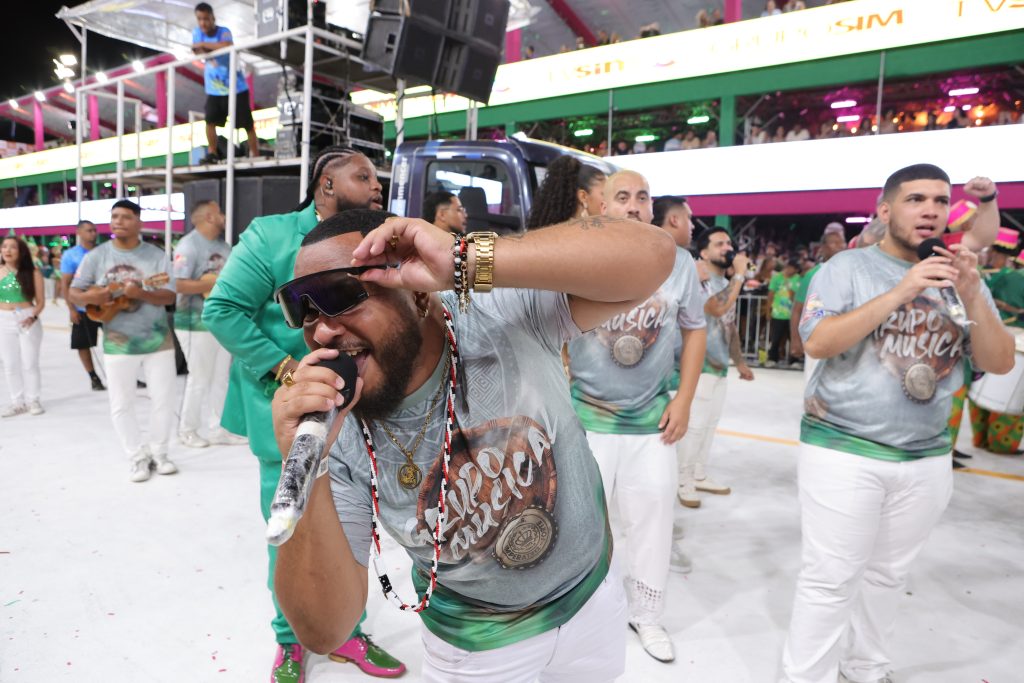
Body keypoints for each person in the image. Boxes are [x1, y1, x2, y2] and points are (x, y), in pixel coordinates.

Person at [270, 203, 676, 682]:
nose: (322, 330)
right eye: (304, 310)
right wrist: (305, 463)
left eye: (341, 295)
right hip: (474, 650)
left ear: (417, 294)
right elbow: (324, 629)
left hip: (592, 601)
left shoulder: (497, 313)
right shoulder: (341, 432)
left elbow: (653, 255)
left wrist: (465, 259)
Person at [780, 163, 1013, 683]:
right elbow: (817, 342)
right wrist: (901, 291)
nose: (929, 209)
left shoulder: (958, 275)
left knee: (888, 576)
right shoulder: (847, 269)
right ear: (886, 212)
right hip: (843, 448)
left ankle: (865, 668)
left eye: (938, 200)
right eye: (915, 199)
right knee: (830, 580)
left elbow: (999, 362)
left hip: (926, 456)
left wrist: (974, 293)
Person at [203, 147, 405, 682]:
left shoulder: (378, 238)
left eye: (377, 176)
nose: (376, 184)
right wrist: (287, 368)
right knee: (290, 524)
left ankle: (346, 631)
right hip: (293, 414)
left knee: (350, 523)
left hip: (360, 410)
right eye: (363, 175)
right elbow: (221, 310)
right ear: (326, 184)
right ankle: (291, 639)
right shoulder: (271, 235)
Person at [568, 171, 707, 663]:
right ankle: (583, 613)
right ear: (602, 206)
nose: (633, 205)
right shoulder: (579, 253)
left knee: (652, 522)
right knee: (584, 526)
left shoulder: (679, 263)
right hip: (586, 419)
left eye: (642, 197)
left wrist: (685, 399)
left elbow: (694, 330)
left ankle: (646, 614)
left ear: (652, 209)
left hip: (653, 424)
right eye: (621, 197)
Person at [69, 200, 179, 482]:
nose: (119, 221)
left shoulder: (156, 256)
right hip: (117, 342)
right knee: (121, 403)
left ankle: (160, 452)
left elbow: (169, 295)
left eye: (126, 217)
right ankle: (137, 457)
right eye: (115, 216)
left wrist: (142, 294)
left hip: (157, 341)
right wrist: (97, 296)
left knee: (163, 400)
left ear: (139, 222)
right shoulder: (96, 256)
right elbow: (75, 293)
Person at [676, 227, 754, 508]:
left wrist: (740, 361)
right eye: (719, 243)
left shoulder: (724, 283)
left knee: (709, 424)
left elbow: (729, 325)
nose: (727, 247)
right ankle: (682, 479)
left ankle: (698, 473)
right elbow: (716, 309)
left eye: (729, 242)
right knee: (694, 426)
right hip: (699, 366)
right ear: (704, 252)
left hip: (719, 366)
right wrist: (740, 276)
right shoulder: (700, 281)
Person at [173, 200, 247, 448]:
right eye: (219, 212)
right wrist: (211, 284)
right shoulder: (188, 245)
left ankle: (220, 428)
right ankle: (188, 430)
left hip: (222, 322)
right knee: (199, 377)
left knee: (220, 377)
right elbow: (178, 284)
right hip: (194, 322)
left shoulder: (224, 247)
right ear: (208, 216)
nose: (224, 216)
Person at [967, 229, 1024, 455]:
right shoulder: (1015, 278)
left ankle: (981, 439)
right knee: (1008, 390)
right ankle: (1001, 443)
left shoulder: (977, 274)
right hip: (1013, 338)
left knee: (980, 389)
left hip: (981, 336)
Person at [192, 2, 259, 163]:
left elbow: (227, 45)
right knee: (210, 121)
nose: (203, 23)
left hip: (236, 87)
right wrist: (207, 47)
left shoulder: (224, 32)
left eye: (206, 19)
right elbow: (196, 49)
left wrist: (204, 45)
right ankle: (213, 152)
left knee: (247, 124)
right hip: (214, 89)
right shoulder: (197, 33)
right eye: (200, 19)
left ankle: (256, 154)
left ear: (212, 17)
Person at [790, 222, 847, 376]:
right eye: (834, 243)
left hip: (844, 339)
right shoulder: (813, 274)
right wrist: (795, 340)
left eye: (842, 242)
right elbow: (797, 309)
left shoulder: (851, 273)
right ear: (822, 248)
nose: (840, 246)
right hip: (818, 338)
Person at [0, 236, 46, 417]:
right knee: (10, 364)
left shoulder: (33, 272)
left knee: (29, 363)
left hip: (27, 318)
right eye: (4, 247)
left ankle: (33, 399)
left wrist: (32, 316)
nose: (7, 250)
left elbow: (41, 301)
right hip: (3, 319)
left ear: (21, 252)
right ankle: (17, 402)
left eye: (13, 247)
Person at [60, 220, 105, 391]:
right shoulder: (71, 255)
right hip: (83, 307)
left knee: (117, 340)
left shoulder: (104, 252)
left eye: (94, 230)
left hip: (107, 306)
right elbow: (66, 283)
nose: (93, 234)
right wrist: (71, 308)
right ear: (79, 232)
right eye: (89, 231)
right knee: (83, 343)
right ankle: (93, 376)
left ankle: (125, 375)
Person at [526, 155, 606, 229]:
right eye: (604, 194)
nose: (608, 201)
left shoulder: (551, 230)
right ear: (583, 196)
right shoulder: (581, 236)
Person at [766, 259, 801, 367]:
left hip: (793, 315)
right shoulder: (776, 278)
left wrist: (788, 285)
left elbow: (796, 296)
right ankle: (772, 359)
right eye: (787, 267)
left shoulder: (799, 279)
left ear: (796, 270)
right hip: (778, 313)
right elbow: (771, 294)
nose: (788, 269)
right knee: (775, 338)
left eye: (791, 268)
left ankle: (794, 360)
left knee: (793, 338)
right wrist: (768, 310)